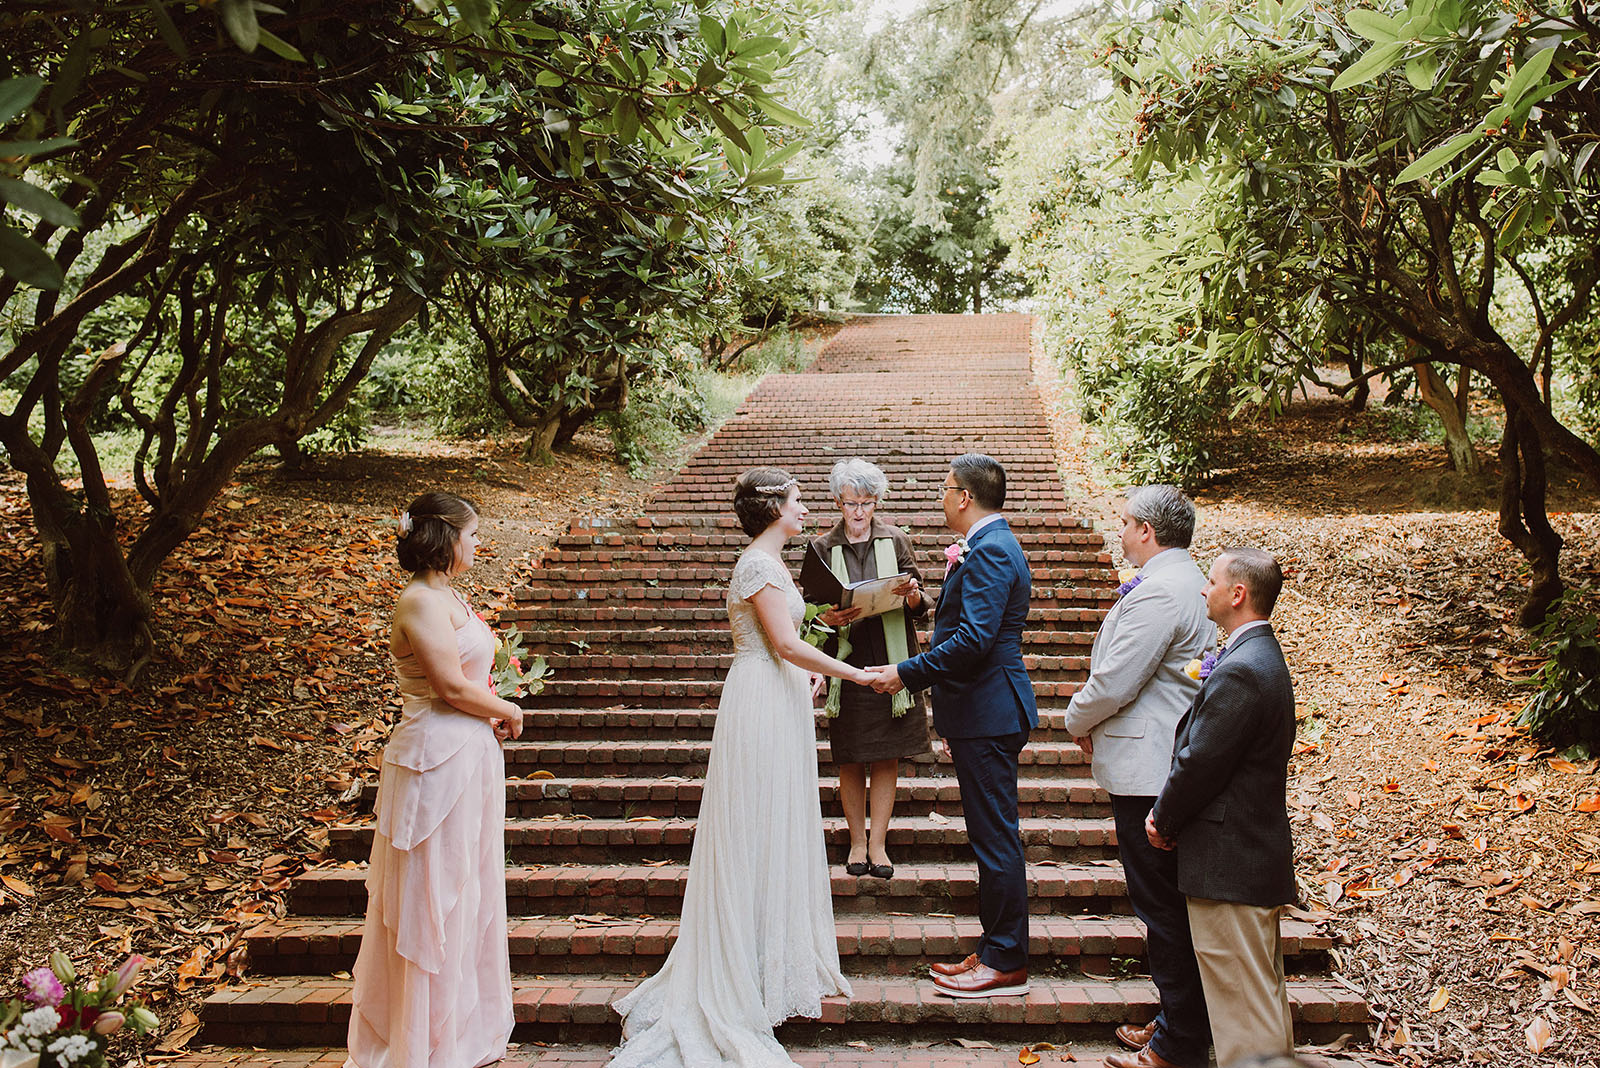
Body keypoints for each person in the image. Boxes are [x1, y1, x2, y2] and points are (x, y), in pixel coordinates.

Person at [610, 468, 872, 1068]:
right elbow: (780, 642)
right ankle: (739, 971)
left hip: (776, 693)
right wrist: (853, 674)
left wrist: (808, 671)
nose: (805, 507)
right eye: (799, 499)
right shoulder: (757, 564)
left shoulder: (770, 563)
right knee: (753, 823)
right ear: (775, 507)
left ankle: (764, 959)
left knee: (772, 824)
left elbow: (784, 639)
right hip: (758, 696)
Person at [346, 492, 522, 1068]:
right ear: (445, 537)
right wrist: (507, 710)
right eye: (472, 534)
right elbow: (448, 685)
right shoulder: (419, 601)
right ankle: (421, 1043)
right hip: (432, 764)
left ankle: (460, 1031)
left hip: (468, 758)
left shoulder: (450, 596)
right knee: (433, 896)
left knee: (467, 889)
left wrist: (491, 708)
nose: (478, 544)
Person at [869, 453, 1037, 999]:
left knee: (995, 840)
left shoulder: (989, 549)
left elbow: (974, 640)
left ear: (964, 496)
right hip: (980, 711)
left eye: (945, 489)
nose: (942, 498)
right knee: (990, 835)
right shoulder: (989, 545)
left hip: (990, 712)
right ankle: (993, 949)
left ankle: (1007, 960)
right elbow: (967, 625)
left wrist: (906, 674)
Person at [1064, 486, 1216, 1068]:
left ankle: (1177, 1042)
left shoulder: (1162, 592)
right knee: (1167, 906)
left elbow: (1114, 681)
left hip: (1150, 769)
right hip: (1158, 762)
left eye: (1125, 523)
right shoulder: (1186, 581)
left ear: (1148, 531)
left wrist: (1075, 719)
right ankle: (1177, 1021)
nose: (1120, 531)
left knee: (1161, 908)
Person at [1146, 548, 1298, 1068]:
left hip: (1230, 861)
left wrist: (1162, 818)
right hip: (1246, 855)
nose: (1204, 590)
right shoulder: (1260, 658)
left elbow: (1202, 761)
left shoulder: (1243, 670)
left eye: (1211, 581)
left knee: (1243, 1008)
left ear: (1238, 594)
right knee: (1258, 997)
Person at [798, 457, 932, 880]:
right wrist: (826, 618)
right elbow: (808, 614)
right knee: (851, 756)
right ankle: (857, 841)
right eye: (851, 502)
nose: (859, 512)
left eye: (868, 503)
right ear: (838, 501)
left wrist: (910, 595)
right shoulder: (821, 547)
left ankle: (879, 844)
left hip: (891, 654)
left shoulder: (895, 540)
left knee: (887, 755)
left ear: (877, 502)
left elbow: (922, 604)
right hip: (845, 658)